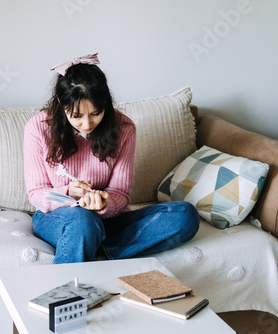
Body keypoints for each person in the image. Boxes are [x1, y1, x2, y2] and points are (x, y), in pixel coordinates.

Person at [24, 53, 199, 264]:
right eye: (77, 116)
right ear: (61, 103)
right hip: (59, 217)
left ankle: (90, 244)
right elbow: (36, 193)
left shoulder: (123, 128)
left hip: (109, 220)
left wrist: (104, 203)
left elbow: (121, 193)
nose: (87, 125)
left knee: (184, 214)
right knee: (82, 221)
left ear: (105, 102)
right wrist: (68, 192)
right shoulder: (39, 127)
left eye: (95, 113)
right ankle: (70, 285)